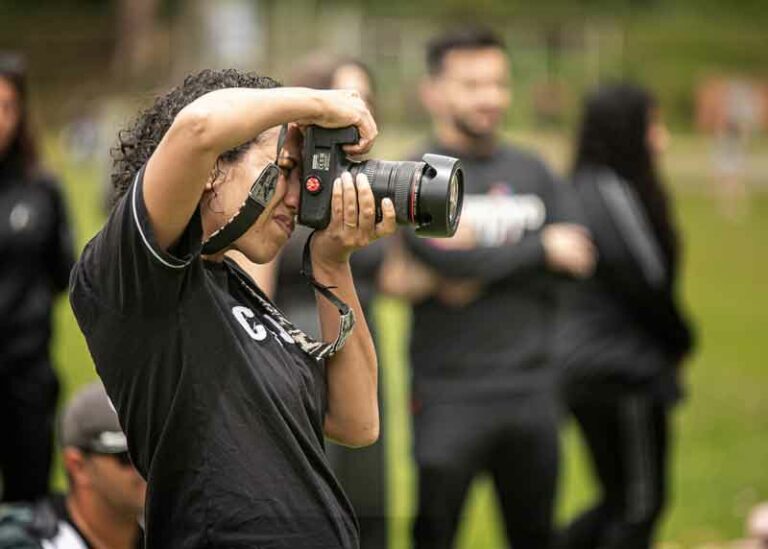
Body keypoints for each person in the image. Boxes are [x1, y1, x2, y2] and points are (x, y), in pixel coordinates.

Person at [68, 68, 396, 547]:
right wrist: (318, 105)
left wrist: (332, 263)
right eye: (284, 170)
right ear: (212, 169)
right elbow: (197, 126)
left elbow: (357, 420)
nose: (295, 197)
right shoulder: (138, 275)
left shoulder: (237, 290)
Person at [383, 28, 595, 548]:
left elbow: (580, 255)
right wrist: (540, 249)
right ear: (433, 92)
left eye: (498, 83)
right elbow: (443, 262)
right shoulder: (416, 175)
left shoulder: (533, 168)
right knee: (435, 532)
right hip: (449, 393)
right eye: (472, 84)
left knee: (535, 535)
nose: (490, 97)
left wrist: (480, 259)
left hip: (533, 390)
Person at [555, 83, 695, 549]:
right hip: (620, 374)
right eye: (652, 125)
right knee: (639, 505)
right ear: (626, 130)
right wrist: (680, 339)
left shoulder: (586, 185)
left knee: (619, 500)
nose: (661, 138)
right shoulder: (607, 190)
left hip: (596, 367)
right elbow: (646, 279)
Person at [260, 55, 388, 549]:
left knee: (367, 490)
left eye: (366, 101)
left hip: (358, 337)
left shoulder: (363, 181)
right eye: (346, 100)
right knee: (313, 498)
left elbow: (394, 274)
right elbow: (258, 288)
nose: (358, 111)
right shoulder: (284, 182)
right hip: (300, 344)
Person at [0, 52, 75, 503]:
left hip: (25, 374)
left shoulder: (41, 188)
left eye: (7, 106)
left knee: (27, 502)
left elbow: (62, 272)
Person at [0, 381, 145, 548]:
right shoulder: (22, 543)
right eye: (127, 457)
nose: (145, 470)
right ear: (78, 467)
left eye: (150, 457)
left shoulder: (173, 533)